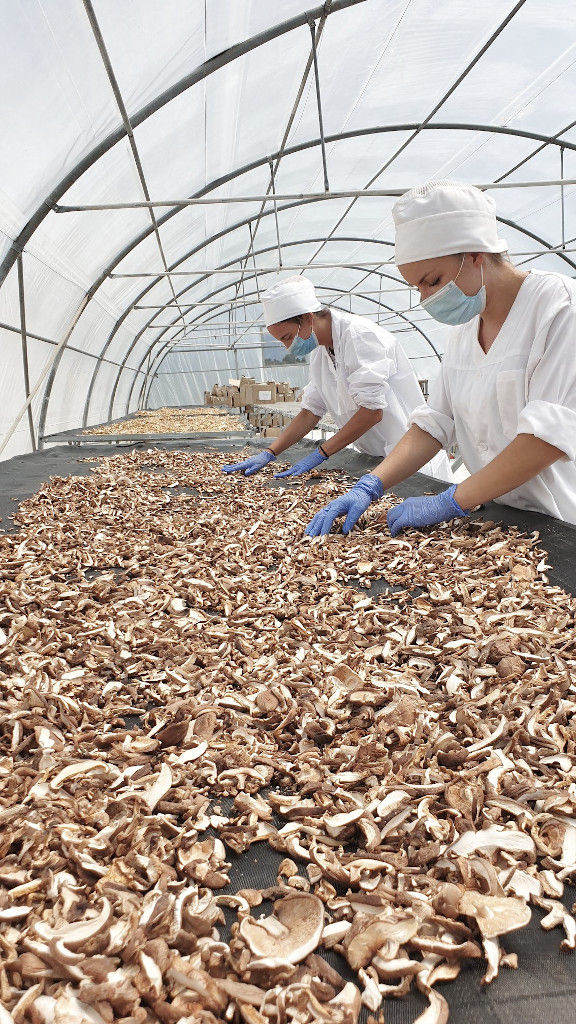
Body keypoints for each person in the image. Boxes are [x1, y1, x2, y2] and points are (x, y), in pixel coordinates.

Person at [306, 180, 576, 538]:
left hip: (561, 523)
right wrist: (371, 485)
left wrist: (451, 501)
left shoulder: (558, 308)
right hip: (501, 519)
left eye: (432, 281)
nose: (426, 299)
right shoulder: (465, 331)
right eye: (418, 287)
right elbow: (435, 423)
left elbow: (545, 438)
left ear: (475, 254)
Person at [222, 276, 451, 482]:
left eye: (288, 337)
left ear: (306, 318)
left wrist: (321, 453)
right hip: (376, 457)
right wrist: (270, 452)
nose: (288, 347)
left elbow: (371, 412)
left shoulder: (360, 337)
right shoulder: (320, 353)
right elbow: (310, 412)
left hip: (412, 460)